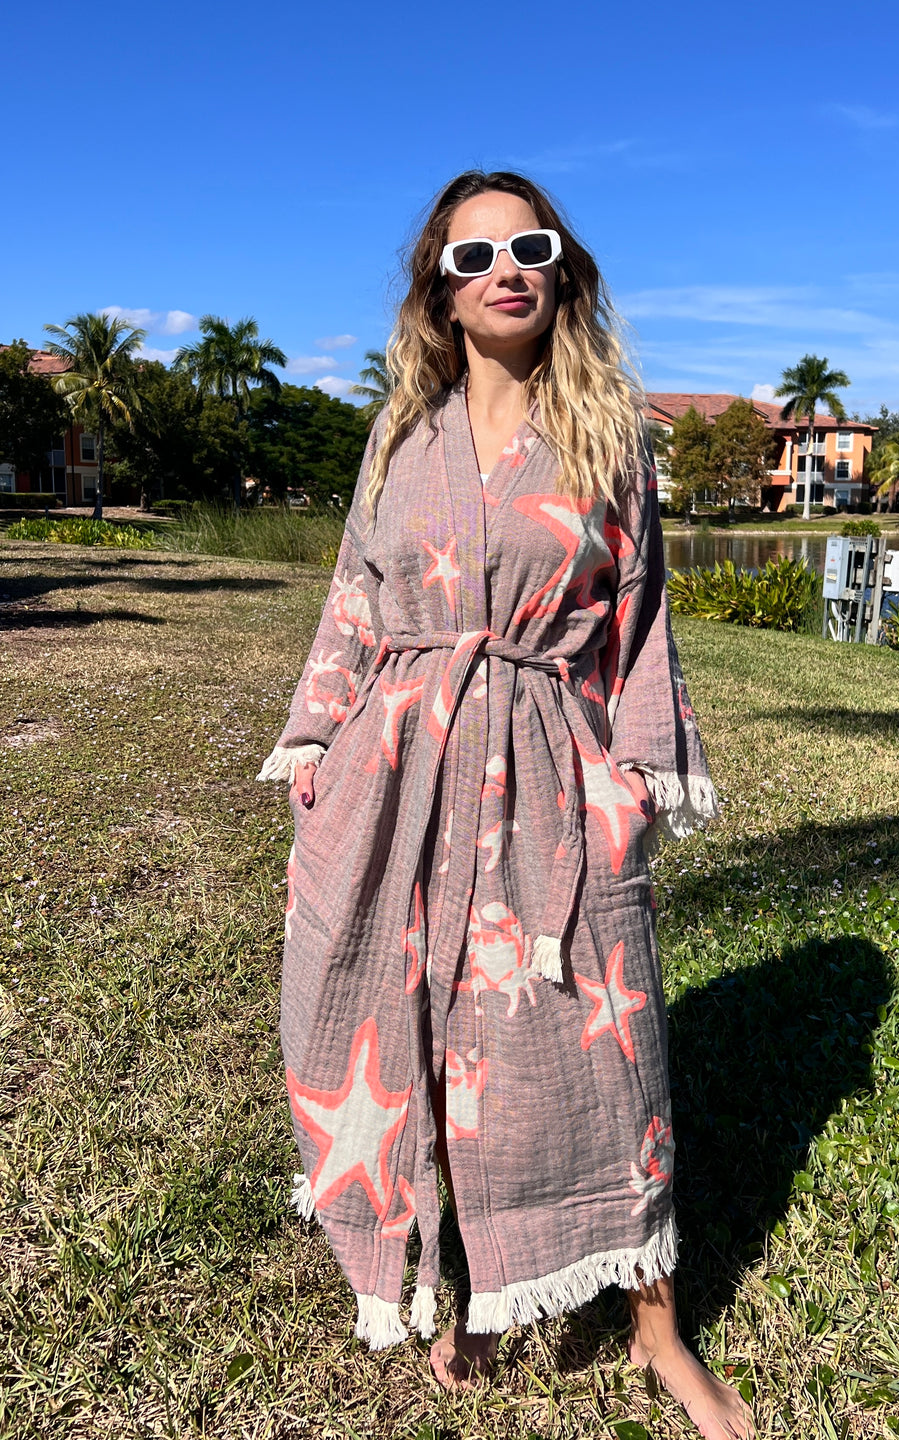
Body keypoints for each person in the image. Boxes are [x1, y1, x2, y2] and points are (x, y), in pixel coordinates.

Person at [257, 170, 756, 1440]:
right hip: (397, 770)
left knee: (602, 1042)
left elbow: (637, 626)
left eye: (529, 247)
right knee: (419, 1030)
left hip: (547, 761)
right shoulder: (399, 439)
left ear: (562, 268)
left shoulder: (606, 435)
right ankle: (471, 1289)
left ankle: (656, 1327)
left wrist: (635, 776)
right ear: (439, 284)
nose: (505, 271)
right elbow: (353, 605)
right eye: (473, 256)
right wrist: (316, 739)